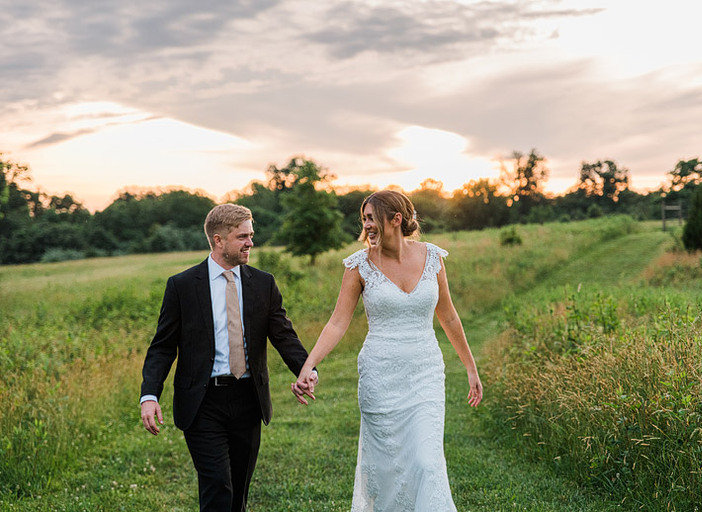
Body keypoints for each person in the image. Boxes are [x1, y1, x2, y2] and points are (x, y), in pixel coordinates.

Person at [291, 190, 483, 511]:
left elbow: (448, 316)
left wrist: (471, 369)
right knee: (386, 468)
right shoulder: (358, 266)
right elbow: (337, 323)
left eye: (371, 217)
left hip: (425, 372)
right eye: (363, 218)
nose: (366, 224)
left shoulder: (432, 257)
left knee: (425, 462)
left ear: (396, 219)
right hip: (380, 376)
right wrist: (308, 366)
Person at [140, 203, 317, 512]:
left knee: (238, 494)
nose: (250, 243)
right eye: (242, 237)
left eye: (251, 235)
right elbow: (163, 347)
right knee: (218, 488)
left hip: (249, 400)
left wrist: (305, 369)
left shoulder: (263, 283)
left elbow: (283, 335)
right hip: (202, 402)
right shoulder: (182, 286)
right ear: (218, 240)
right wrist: (150, 394)